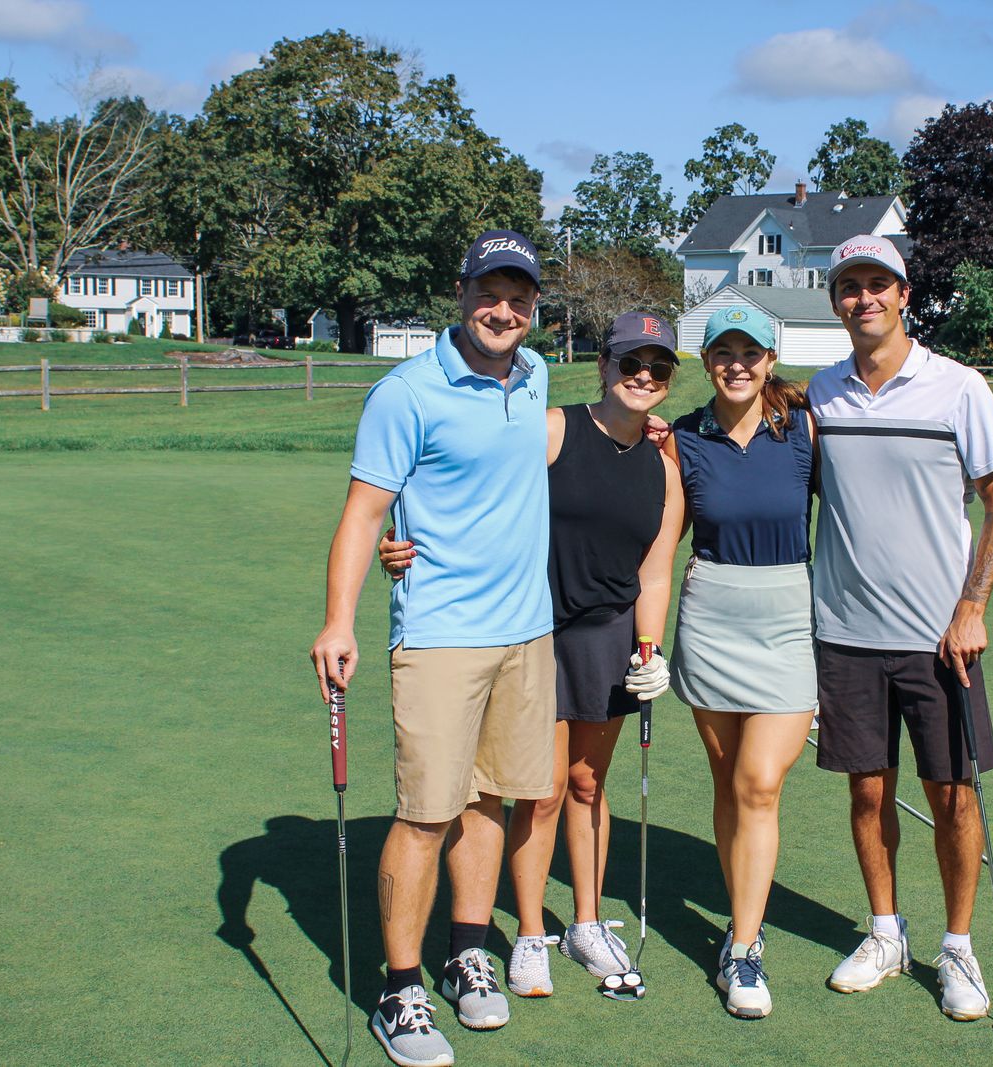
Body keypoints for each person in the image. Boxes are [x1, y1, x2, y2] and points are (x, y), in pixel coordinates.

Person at [378, 313, 685, 999]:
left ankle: (585, 923)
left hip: (611, 638)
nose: (643, 376)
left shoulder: (665, 463)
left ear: (667, 382)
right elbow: (468, 486)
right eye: (630, 362)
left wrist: (650, 646)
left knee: (587, 786)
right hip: (536, 629)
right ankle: (528, 936)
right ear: (603, 365)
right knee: (538, 793)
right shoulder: (553, 427)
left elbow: (657, 568)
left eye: (658, 368)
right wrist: (398, 539)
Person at [310, 229, 553, 1067]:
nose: (504, 309)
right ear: (461, 292)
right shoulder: (405, 393)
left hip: (527, 630)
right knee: (425, 813)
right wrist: (339, 621)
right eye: (491, 291)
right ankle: (399, 988)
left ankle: (465, 951)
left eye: (519, 296)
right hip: (441, 634)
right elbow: (363, 515)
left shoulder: (536, 375)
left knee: (489, 801)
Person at [808, 235, 993, 1024]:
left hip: (939, 638)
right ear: (837, 301)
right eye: (850, 287)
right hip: (847, 632)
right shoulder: (821, 394)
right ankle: (886, 933)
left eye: (877, 285)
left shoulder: (959, 388)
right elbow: (755, 408)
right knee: (869, 792)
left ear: (904, 294)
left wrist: (972, 608)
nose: (864, 299)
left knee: (953, 794)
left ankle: (957, 945)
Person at [666, 305, 818, 1019]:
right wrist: (642, 640)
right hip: (712, 617)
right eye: (722, 351)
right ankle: (740, 921)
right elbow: (657, 544)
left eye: (749, 352)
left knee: (760, 781)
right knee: (729, 780)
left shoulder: (805, 431)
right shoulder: (684, 440)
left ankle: (746, 948)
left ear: (769, 358)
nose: (736, 363)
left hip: (788, 619)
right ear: (705, 360)